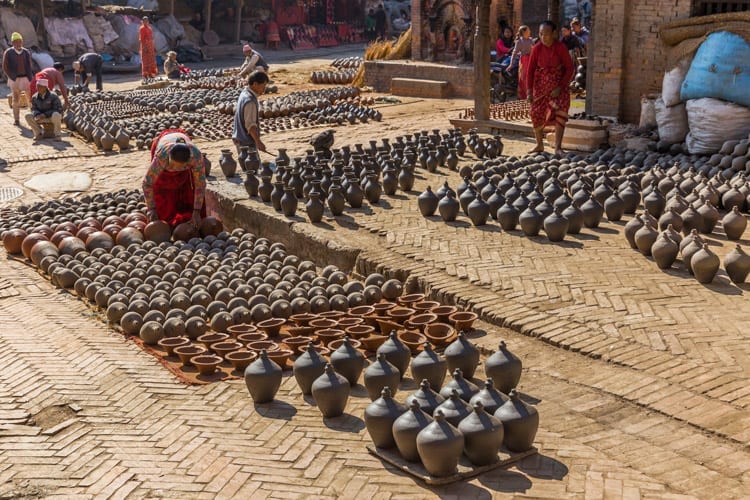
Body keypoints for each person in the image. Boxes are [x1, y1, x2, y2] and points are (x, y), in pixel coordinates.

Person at [527, 20, 575, 156]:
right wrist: (529, 92)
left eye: (546, 34)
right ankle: (539, 144)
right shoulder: (536, 48)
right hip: (541, 87)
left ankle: (558, 147)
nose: (543, 37)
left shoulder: (560, 48)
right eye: (541, 34)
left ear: (554, 34)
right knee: (535, 112)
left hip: (559, 88)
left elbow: (570, 68)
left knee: (561, 111)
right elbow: (530, 71)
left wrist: (560, 87)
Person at [143, 129, 206, 228]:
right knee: (161, 199)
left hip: (182, 143)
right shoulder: (161, 157)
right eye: (173, 165)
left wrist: (197, 211)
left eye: (180, 167)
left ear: (188, 162)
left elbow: (200, 184)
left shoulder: (196, 158)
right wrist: (151, 208)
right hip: (164, 142)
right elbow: (147, 183)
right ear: (169, 158)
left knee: (186, 192)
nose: (175, 169)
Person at [232, 70, 269, 160]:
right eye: (263, 86)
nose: (264, 90)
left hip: (239, 138)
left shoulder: (244, 92)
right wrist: (258, 142)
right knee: (253, 169)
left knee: (248, 169)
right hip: (246, 141)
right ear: (255, 84)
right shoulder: (250, 101)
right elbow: (250, 125)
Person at [2, 32, 34, 126]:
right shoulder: (8, 52)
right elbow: (5, 66)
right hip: (14, 79)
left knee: (30, 98)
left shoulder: (25, 52)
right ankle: (16, 120)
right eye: (16, 42)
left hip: (25, 77)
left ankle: (33, 117)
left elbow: (29, 65)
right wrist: (11, 77)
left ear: (22, 42)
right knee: (16, 99)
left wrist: (30, 77)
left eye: (20, 41)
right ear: (12, 43)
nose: (18, 44)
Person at [507, 25, 534, 99]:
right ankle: (523, 97)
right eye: (528, 30)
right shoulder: (519, 42)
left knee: (532, 77)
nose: (530, 31)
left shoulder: (531, 40)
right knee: (523, 78)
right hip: (524, 61)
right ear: (524, 32)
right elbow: (514, 53)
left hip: (531, 60)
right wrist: (511, 64)